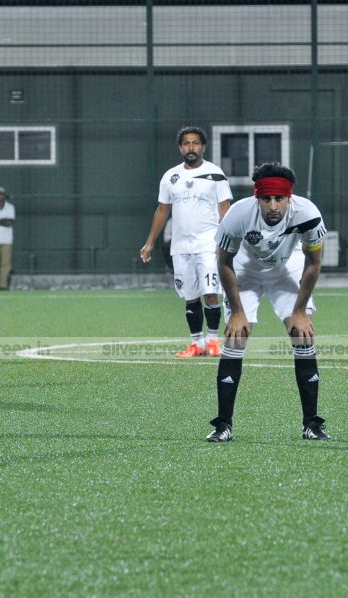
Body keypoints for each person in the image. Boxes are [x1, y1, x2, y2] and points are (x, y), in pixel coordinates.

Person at [206, 162, 329, 442]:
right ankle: (223, 425)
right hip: (246, 270)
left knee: (303, 335)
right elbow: (223, 262)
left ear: (290, 198)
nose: (273, 205)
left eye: (279, 199)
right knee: (236, 337)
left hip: (287, 268)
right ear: (256, 197)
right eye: (266, 198)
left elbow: (313, 263)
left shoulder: (307, 214)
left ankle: (311, 424)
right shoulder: (238, 215)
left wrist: (299, 310)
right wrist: (237, 311)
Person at [140, 126, 232, 358]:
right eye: (187, 144)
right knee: (190, 296)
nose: (191, 147)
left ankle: (212, 341)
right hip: (181, 246)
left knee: (210, 293)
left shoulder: (216, 174)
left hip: (209, 245)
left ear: (203, 147)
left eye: (196, 143)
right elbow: (162, 211)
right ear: (181, 147)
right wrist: (150, 242)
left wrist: (230, 242)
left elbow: (225, 210)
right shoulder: (170, 177)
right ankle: (196, 344)